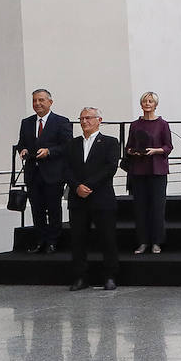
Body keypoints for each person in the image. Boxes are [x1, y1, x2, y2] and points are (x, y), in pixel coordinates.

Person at [64, 107, 122, 292]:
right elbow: (66, 169)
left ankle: (110, 276)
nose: (84, 121)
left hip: (101, 198)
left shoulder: (110, 142)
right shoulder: (71, 144)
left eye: (88, 118)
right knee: (78, 240)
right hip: (77, 199)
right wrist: (76, 186)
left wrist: (88, 185)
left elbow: (110, 167)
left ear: (99, 120)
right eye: (81, 118)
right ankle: (80, 277)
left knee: (107, 238)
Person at [14, 88, 73, 253]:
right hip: (33, 173)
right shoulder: (26, 122)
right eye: (34, 101)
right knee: (36, 209)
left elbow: (68, 146)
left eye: (41, 100)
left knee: (53, 208)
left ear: (50, 102)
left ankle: (53, 241)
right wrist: (23, 150)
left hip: (53, 173)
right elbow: (21, 143)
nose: (37, 104)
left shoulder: (61, 121)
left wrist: (49, 151)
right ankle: (40, 240)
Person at [124, 91, 172, 255]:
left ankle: (157, 241)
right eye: (145, 101)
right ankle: (143, 241)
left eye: (151, 101)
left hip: (157, 169)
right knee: (140, 208)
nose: (147, 103)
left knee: (157, 207)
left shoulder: (162, 124)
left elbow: (168, 146)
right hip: (138, 170)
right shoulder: (135, 125)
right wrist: (133, 152)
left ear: (156, 104)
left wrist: (156, 150)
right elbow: (128, 146)